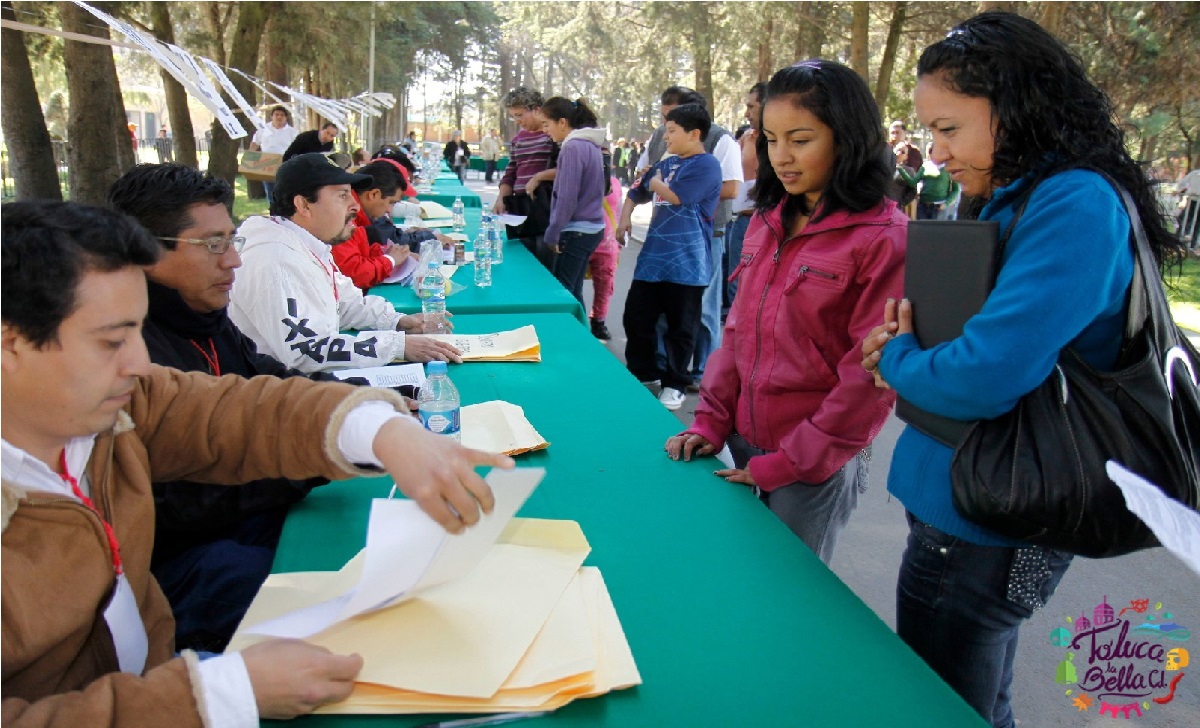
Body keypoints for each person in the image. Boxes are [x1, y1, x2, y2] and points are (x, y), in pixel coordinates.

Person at [1, 199, 514, 725]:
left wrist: (378, 430)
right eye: (111, 341)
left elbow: (234, 410)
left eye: (137, 330)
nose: (138, 361)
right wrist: (216, 695)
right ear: (10, 343)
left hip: (153, 674)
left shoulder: (117, 402)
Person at [858, 12, 1182, 727]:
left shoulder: (1073, 201)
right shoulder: (1014, 189)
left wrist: (902, 358)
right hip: (979, 505)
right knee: (979, 693)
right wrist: (911, 346)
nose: (935, 152)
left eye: (948, 129)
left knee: (945, 705)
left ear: (1015, 107)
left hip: (985, 521)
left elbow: (984, 373)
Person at [666, 59, 905, 566]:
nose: (782, 157)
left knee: (787, 601)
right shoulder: (768, 221)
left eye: (801, 139)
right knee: (730, 579)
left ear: (848, 137)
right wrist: (709, 420)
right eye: (771, 139)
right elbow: (738, 333)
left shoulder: (884, 238)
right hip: (738, 440)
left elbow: (867, 378)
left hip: (811, 465)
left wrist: (792, 462)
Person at [230, 153, 462, 373]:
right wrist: (396, 345)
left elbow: (344, 303)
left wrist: (398, 321)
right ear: (303, 205)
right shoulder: (275, 261)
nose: (355, 205)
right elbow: (305, 352)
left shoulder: (305, 243)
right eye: (342, 195)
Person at [616, 103, 722, 410]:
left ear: (694, 134)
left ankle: (675, 383)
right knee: (637, 318)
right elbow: (635, 192)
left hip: (687, 263)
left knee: (681, 326)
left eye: (672, 131)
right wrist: (624, 219)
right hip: (652, 259)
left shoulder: (707, 165)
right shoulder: (668, 163)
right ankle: (643, 374)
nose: (666, 138)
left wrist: (657, 179)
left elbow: (679, 197)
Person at [637, 86, 743, 392]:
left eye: (673, 118)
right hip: (663, 235)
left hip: (704, 234)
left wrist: (686, 191)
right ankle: (661, 366)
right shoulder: (660, 136)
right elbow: (646, 173)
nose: (667, 127)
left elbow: (732, 188)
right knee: (661, 306)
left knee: (702, 307)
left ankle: (702, 372)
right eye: (664, 117)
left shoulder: (721, 139)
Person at [333, 160, 447, 292]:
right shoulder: (344, 217)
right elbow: (353, 274)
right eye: (391, 203)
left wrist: (388, 253)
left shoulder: (357, 217)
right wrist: (390, 260)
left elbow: (362, 253)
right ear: (374, 194)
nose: (389, 210)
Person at [540, 97, 608, 307]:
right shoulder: (589, 145)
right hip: (591, 228)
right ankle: (581, 333)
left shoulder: (572, 147)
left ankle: (572, 336)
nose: (545, 130)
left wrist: (552, 233)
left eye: (547, 124)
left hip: (577, 230)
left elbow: (567, 197)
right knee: (573, 290)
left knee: (564, 294)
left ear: (562, 122)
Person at [494, 87, 557, 268]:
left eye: (520, 115)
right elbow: (511, 172)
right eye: (514, 116)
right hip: (519, 208)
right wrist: (501, 199)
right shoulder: (518, 139)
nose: (518, 121)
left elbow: (565, 169)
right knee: (520, 262)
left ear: (536, 109)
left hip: (545, 207)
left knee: (544, 263)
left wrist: (538, 177)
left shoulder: (552, 136)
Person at [724, 81, 767, 315]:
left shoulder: (778, 141)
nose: (747, 114)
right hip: (741, 221)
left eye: (752, 107)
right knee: (736, 283)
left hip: (771, 222)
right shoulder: (746, 139)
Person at [589, 167, 625, 340]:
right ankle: (574, 319)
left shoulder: (615, 183)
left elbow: (619, 211)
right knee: (571, 285)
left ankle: (598, 321)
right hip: (581, 241)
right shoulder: (579, 178)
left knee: (605, 286)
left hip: (607, 244)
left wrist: (620, 238)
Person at [249, 105, 299, 202]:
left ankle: (286, 215)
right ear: (271, 116)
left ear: (286, 117)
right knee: (271, 193)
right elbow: (255, 144)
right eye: (276, 114)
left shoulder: (293, 132)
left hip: (286, 165)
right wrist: (250, 160)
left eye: (282, 115)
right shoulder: (263, 129)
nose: (279, 117)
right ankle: (274, 214)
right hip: (267, 165)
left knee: (286, 193)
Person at [915, 143, 960, 220]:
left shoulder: (949, 167)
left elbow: (956, 189)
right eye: (929, 151)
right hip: (923, 205)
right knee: (922, 230)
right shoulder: (926, 166)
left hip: (939, 206)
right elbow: (915, 181)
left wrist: (946, 204)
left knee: (937, 230)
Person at [886, 119, 923, 214]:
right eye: (892, 133)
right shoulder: (883, 151)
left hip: (905, 199)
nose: (894, 136)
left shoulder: (914, 152)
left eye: (897, 132)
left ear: (904, 133)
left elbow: (919, 174)